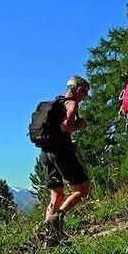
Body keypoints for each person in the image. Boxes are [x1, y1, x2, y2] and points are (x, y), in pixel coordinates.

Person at [41, 75, 91, 239]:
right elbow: (65, 126)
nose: (85, 97)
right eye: (85, 93)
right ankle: (58, 217)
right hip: (61, 152)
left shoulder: (56, 104)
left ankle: (50, 236)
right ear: (79, 90)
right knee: (83, 189)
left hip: (45, 153)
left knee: (56, 195)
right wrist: (79, 125)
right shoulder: (72, 104)